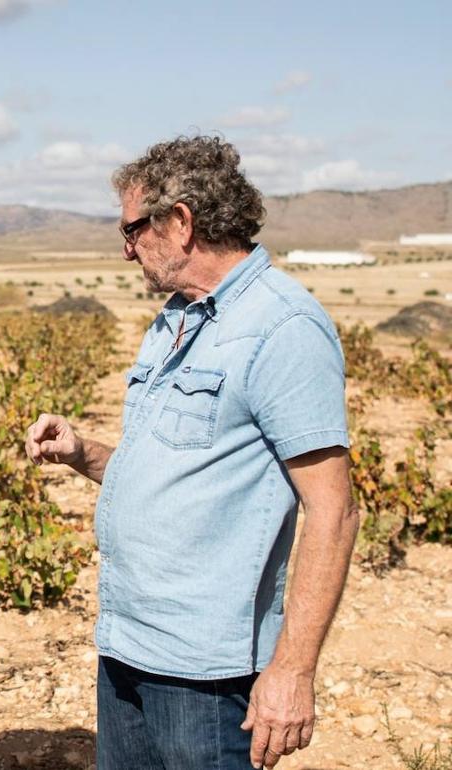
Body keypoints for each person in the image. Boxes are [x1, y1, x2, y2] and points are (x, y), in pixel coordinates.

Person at [25, 135, 359, 770]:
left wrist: (292, 670)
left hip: (205, 670)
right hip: (128, 641)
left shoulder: (282, 327)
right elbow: (180, 467)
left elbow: (334, 511)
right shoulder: (175, 319)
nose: (125, 250)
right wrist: (83, 452)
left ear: (180, 221)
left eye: (131, 230)